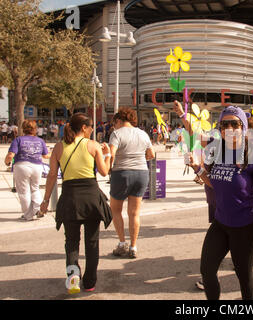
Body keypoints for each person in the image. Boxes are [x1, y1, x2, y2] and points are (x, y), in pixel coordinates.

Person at [180, 104, 253, 300]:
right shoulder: (217, 151)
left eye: (234, 124)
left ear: (243, 127)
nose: (229, 129)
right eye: (224, 125)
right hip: (221, 222)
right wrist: (196, 167)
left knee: (243, 276)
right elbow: (214, 183)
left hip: (246, 225)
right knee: (207, 271)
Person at [40, 113, 112, 294]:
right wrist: (108, 155)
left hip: (70, 197)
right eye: (91, 127)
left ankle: (73, 277)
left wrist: (46, 200)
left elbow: (51, 176)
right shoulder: (93, 145)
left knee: (71, 242)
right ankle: (89, 282)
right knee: (92, 242)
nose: (92, 130)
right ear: (84, 128)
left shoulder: (58, 147)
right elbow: (104, 172)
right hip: (90, 198)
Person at [109, 107, 155, 259]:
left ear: (119, 120)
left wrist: (107, 168)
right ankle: (134, 246)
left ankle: (122, 243)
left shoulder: (116, 134)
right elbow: (151, 154)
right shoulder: (143, 134)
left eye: (114, 123)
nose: (113, 126)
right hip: (141, 173)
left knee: (115, 210)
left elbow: (111, 154)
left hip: (121, 173)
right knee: (134, 213)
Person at [4, 120, 50, 221]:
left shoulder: (18, 140)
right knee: (35, 189)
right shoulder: (40, 141)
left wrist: (7, 162)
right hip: (37, 166)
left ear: (23, 129)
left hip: (22, 166)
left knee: (23, 191)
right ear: (35, 129)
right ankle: (38, 210)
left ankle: (27, 214)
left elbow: (11, 155)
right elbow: (46, 155)